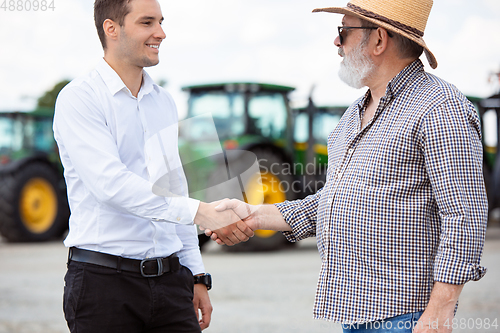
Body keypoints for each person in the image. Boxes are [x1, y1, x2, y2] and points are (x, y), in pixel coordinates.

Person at [209, 0, 488, 332]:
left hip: (408, 318)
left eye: (344, 31)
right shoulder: (351, 117)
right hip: (358, 315)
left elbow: (465, 214)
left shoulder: (439, 108)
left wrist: (440, 312)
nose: (336, 42)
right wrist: (253, 215)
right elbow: (331, 202)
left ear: (378, 40)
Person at [53, 0, 253, 332]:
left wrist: (197, 273)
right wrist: (199, 212)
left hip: (172, 283)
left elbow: (174, 188)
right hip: (104, 286)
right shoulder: (80, 98)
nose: (161, 32)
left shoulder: (163, 101)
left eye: (160, 21)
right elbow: (110, 184)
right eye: (147, 22)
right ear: (111, 28)